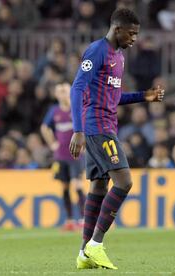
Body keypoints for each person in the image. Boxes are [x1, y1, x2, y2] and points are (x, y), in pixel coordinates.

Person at [69, 8, 165, 270]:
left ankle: (83, 252)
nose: (134, 39)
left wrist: (144, 96)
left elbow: (114, 98)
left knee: (99, 187)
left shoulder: (119, 57)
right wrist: (77, 129)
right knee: (124, 181)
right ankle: (96, 245)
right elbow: (77, 88)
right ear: (117, 28)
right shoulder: (97, 50)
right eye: (131, 33)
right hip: (96, 127)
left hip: (105, 125)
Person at [41, 82, 85, 231]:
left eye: (65, 90)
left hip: (76, 154)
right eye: (60, 91)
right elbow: (44, 128)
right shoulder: (54, 111)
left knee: (77, 185)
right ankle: (70, 220)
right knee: (65, 187)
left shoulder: (76, 108)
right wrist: (52, 144)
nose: (63, 93)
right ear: (56, 95)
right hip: (61, 155)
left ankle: (85, 220)